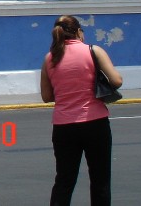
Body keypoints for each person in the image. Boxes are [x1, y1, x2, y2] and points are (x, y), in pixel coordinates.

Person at [40, 14, 123, 206]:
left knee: (64, 181)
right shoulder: (93, 51)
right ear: (78, 32)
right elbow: (116, 81)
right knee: (100, 180)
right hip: (95, 123)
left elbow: (47, 97)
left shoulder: (49, 58)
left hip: (63, 127)